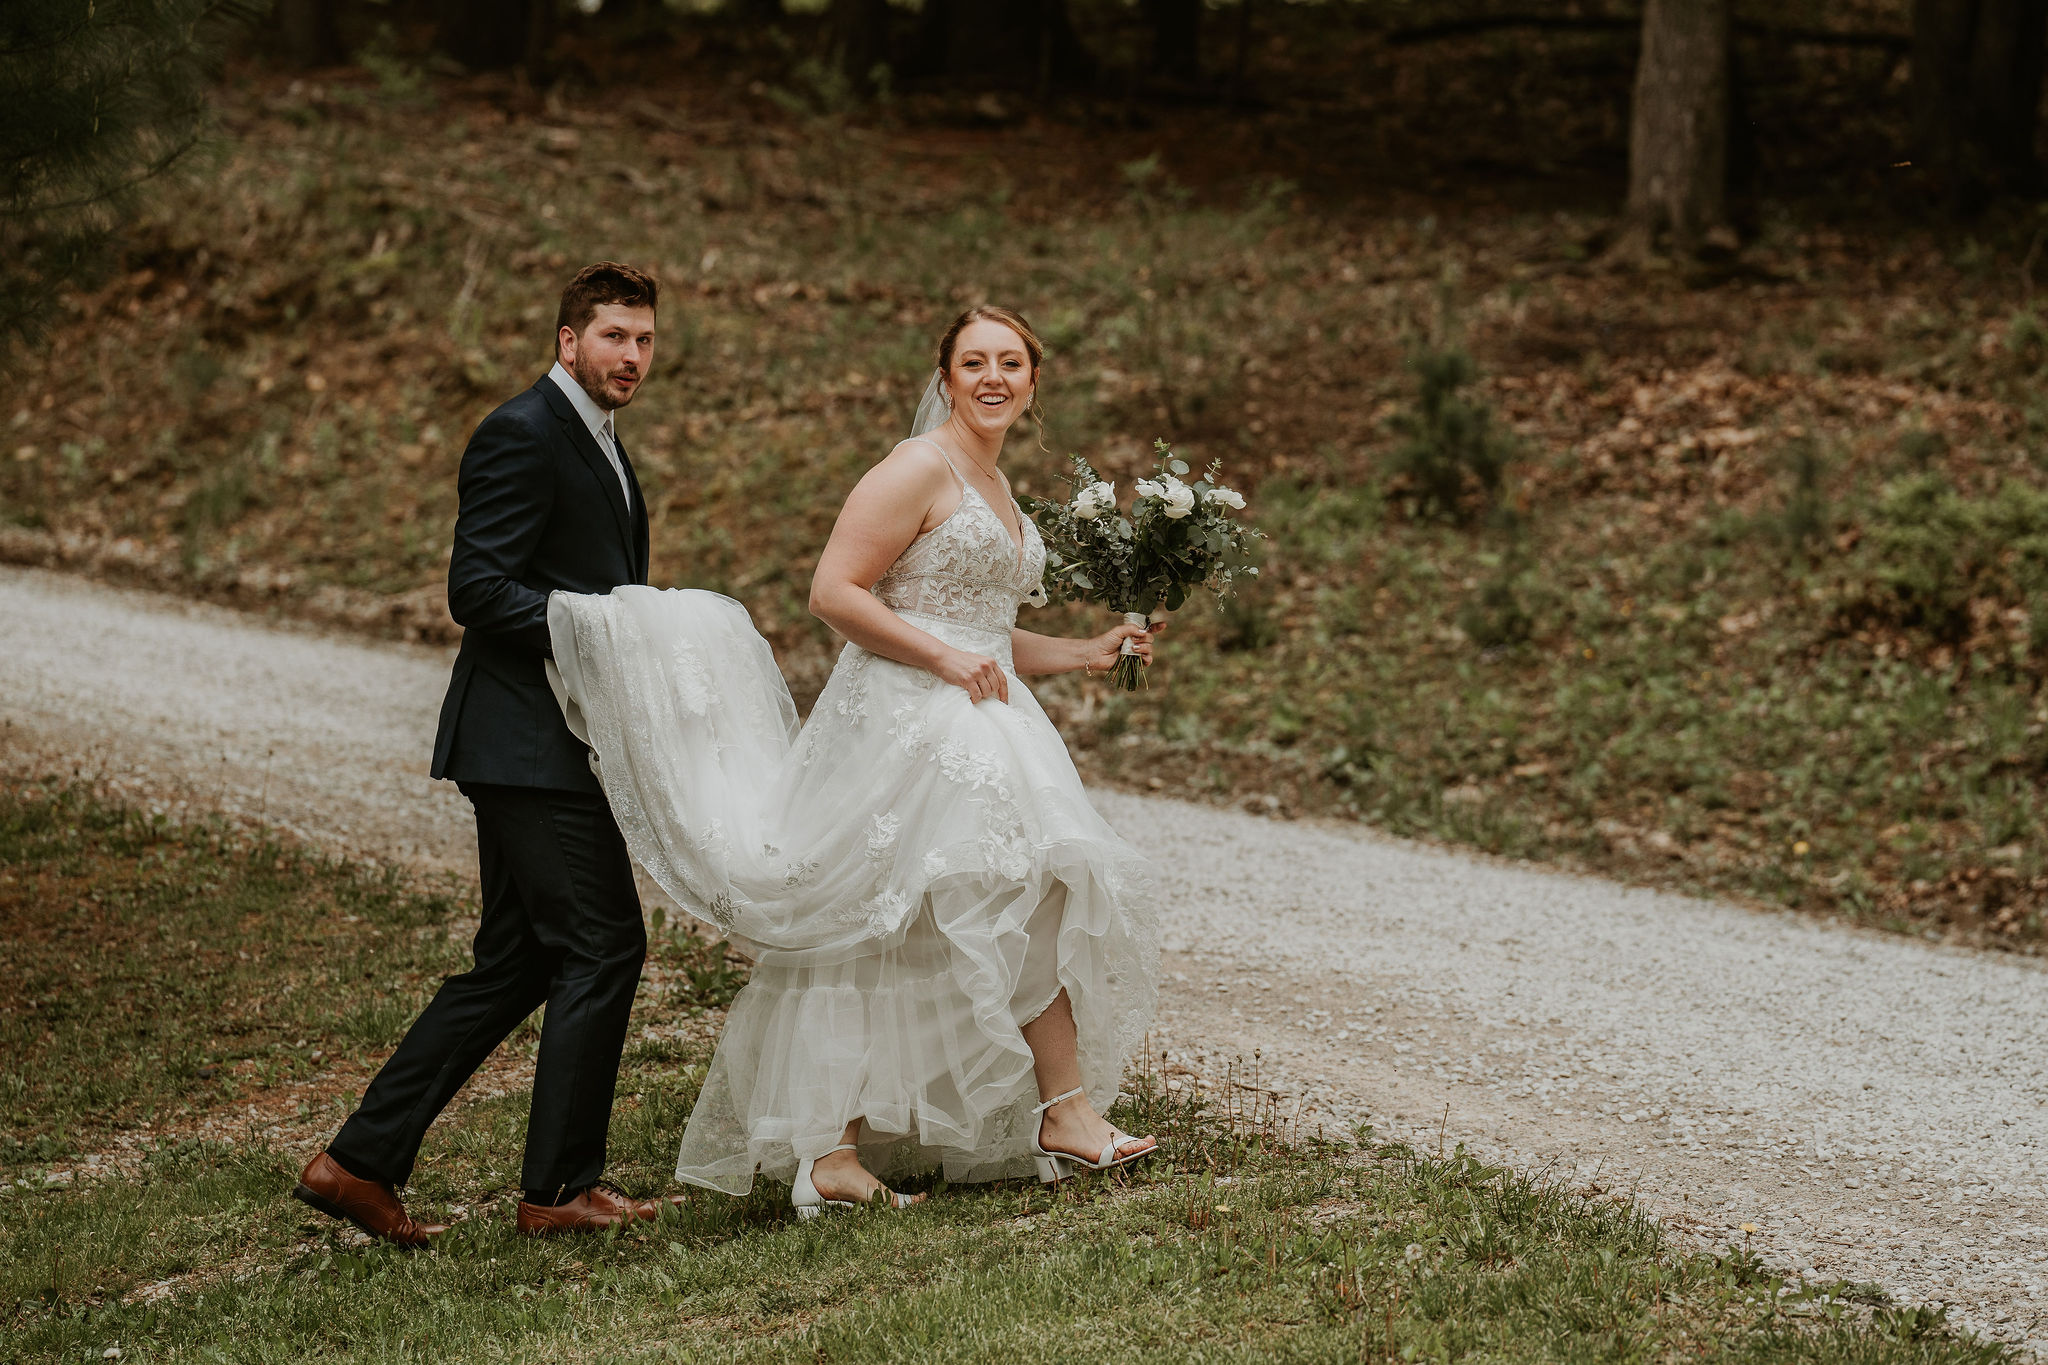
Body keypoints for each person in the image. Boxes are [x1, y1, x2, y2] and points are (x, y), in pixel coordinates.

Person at [546, 305, 1163, 1216]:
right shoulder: (917, 466)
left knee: (1024, 888)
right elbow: (834, 591)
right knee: (872, 913)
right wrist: (942, 658)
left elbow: (985, 632)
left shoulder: (997, 483)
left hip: (978, 717)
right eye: (974, 362)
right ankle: (833, 1151)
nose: (993, 377)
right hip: (905, 717)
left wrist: (1084, 652)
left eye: (1011, 363)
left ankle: (1057, 1112)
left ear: (1035, 381)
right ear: (945, 377)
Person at [293, 262, 677, 1242]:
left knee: (516, 960)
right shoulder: (523, 431)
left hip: (550, 741)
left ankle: (357, 1162)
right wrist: (604, 630)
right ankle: (558, 1190)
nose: (631, 356)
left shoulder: (598, 437)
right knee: (603, 943)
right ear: (567, 341)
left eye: (643, 339)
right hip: (524, 742)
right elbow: (477, 588)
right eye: (613, 336)